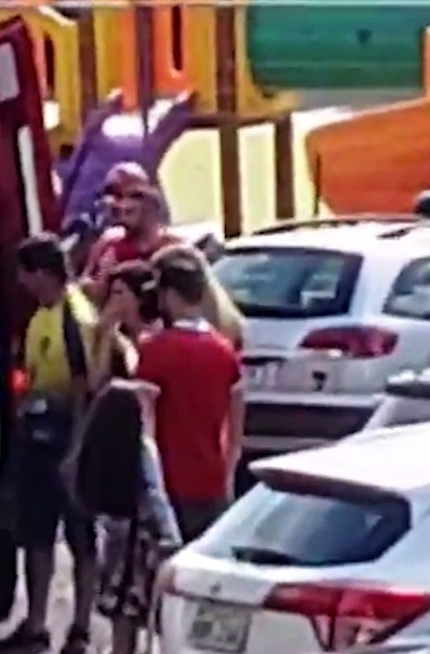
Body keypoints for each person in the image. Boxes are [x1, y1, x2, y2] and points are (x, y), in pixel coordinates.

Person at [1, 232, 99, 654]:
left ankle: (80, 628)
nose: (22, 283)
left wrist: (77, 449)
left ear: (41, 273)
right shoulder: (41, 313)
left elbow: (83, 385)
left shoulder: (75, 317)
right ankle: (36, 624)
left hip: (66, 437)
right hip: (36, 438)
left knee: (79, 536)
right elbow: (27, 369)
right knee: (36, 535)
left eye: (26, 274)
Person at [135, 247, 244, 542]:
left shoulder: (155, 351)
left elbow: (144, 430)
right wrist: (226, 479)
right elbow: (234, 432)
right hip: (213, 484)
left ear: (170, 296)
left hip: (170, 486)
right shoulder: (225, 351)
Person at [74, 381, 182, 654]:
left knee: (117, 610)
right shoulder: (141, 450)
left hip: (109, 534)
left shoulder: (95, 448)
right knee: (133, 610)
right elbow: (155, 495)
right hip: (137, 539)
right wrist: (171, 541)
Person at [83, 169, 182, 302]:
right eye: (115, 194)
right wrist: (104, 278)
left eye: (135, 196)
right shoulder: (109, 242)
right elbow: (84, 283)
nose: (121, 205)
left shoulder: (174, 248)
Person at [88, 261, 160, 392]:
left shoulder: (157, 331)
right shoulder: (115, 334)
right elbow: (96, 384)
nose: (112, 300)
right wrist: (107, 335)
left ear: (140, 297)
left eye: (119, 293)